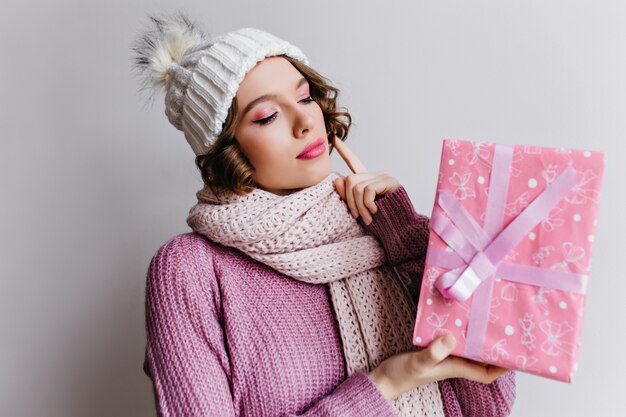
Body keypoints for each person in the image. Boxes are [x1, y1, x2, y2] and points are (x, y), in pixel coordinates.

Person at [132, 12, 516, 417]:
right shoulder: (191, 271)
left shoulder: (383, 231)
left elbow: (489, 404)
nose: (304, 121)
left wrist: (407, 239)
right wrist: (386, 384)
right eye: (266, 117)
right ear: (228, 149)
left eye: (304, 97)